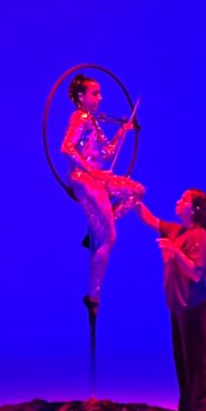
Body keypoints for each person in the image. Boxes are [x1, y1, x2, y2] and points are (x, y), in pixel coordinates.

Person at [61, 74, 145, 308]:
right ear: (81, 97)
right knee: (109, 237)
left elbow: (106, 153)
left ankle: (98, 226)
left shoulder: (93, 121)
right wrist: (90, 170)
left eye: (99, 93)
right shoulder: (80, 117)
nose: (100, 98)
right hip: (83, 179)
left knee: (136, 191)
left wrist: (122, 132)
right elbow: (66, 147)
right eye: (95, 93)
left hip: (97, 178)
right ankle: (93, 295)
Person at [136, 190, 206, 411]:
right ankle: (186, 410)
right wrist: (133, 196)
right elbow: (150, 219)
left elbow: (196, 273)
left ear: (195, 209)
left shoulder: (200, 236)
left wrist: (174, 251)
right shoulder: (176, 230)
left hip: (194, 307)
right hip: (179, 305)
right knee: (182, 360)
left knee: (195, 363)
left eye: (184, 200)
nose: (178, 202)